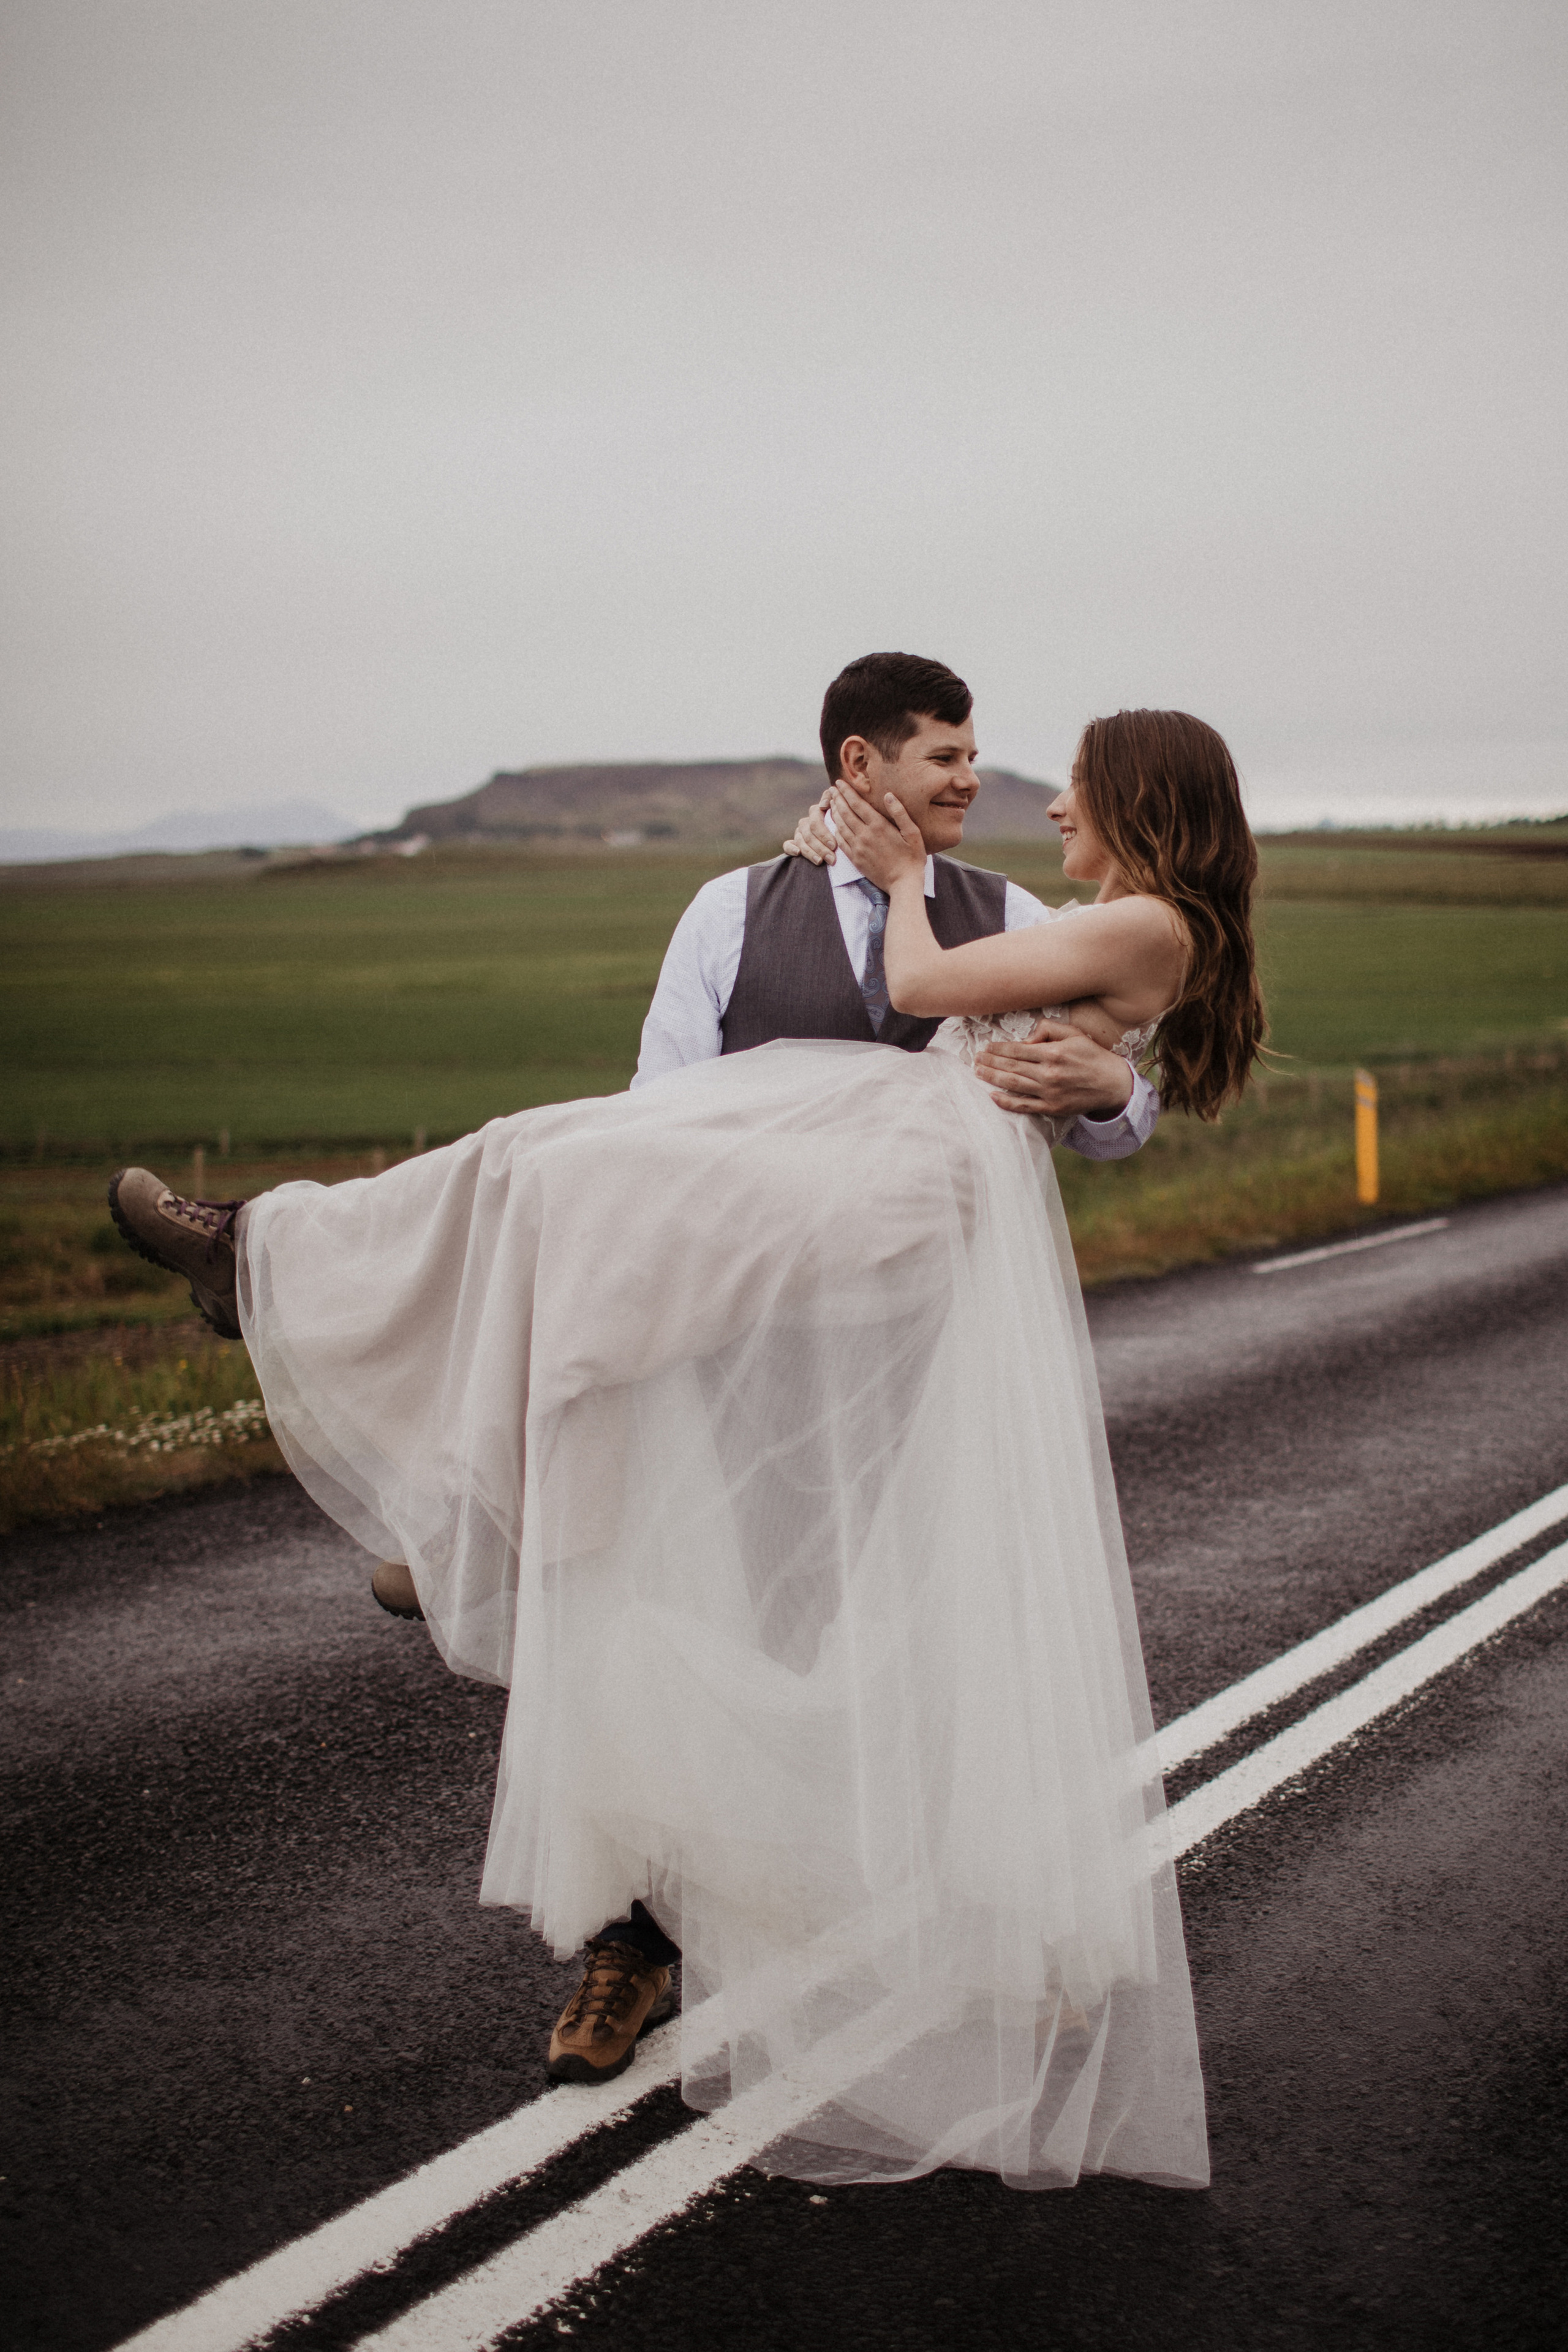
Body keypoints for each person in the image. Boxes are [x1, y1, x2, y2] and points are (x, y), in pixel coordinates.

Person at [108, 697, 1263, 2193]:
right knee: (552, 1198)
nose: (994, 788)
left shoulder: (1026, 910)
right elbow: (661, 1108)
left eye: (997, 765)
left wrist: (1114, 1088)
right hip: (718, 1298)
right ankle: (624, 1920)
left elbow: (1091, 1066)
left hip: (889, 1313)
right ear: (859, 765)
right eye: (946, 759)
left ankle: (439, 1474)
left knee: (871, 1633)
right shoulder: (729, 911)